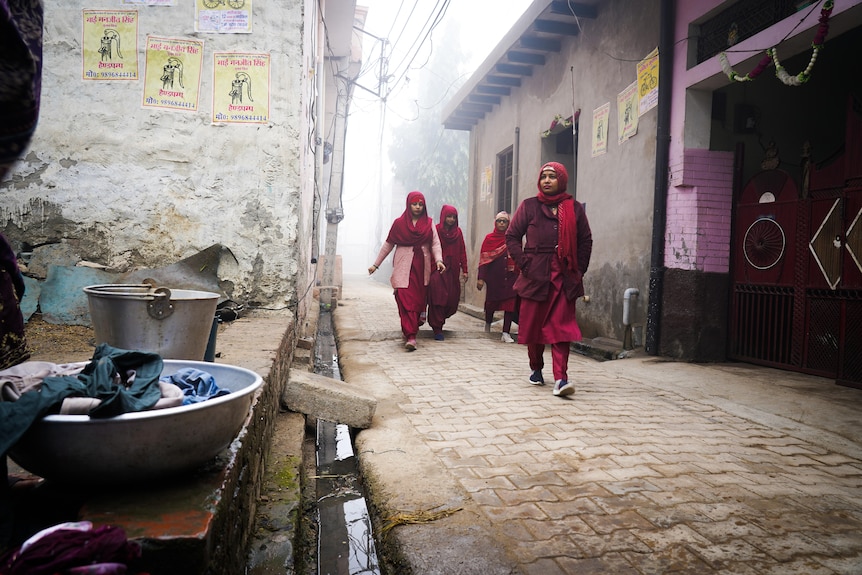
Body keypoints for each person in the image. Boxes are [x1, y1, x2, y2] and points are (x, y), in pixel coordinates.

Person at [505, 162, 592, 397]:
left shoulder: (573, 209)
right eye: (543, 176)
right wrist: (524, 263)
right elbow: (512, 236)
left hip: (564, 276)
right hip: (535, 275)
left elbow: (585, 240)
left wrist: (578, 269)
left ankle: (561, 379)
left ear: (561, 180)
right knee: (533, 328)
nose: (547, 180)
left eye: (552, 177)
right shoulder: (529, 206)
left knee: (561, 327)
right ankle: (536, 368)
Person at [369, 191, 445, 351]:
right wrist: (376, 265)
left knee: (417, 301)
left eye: (420, 204)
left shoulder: (429, 223)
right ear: (408, 205)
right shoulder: (399, 224)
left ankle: (411, 330)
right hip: (403, 267)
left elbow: (435, 244)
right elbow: (388, 244)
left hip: (421, 267)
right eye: (414, 204)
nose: (417, 207)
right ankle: (411, 335)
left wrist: (438, 260)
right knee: (404, 298)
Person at [477, 211, 519, 343]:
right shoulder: (489, 239)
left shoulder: (513, 239)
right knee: (491, 305)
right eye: (499, 221)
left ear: (508, 223)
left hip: (511, 277)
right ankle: (487, 326)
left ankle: (505, 332)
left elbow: (519, 257)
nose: (501, 223)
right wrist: (481, 278)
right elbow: (483, 260)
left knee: (510, 305)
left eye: (504, 221)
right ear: (495, 223)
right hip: (494, 279)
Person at [426, 205, 467, 341]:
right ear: (443, 216)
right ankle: (437, 328)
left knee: (451, 299)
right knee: (438, 298)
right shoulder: (436, 230)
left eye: (454, 217)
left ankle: (440, 322)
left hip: (452, 271)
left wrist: (465, 270)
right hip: (437, 270)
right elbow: (430, 248)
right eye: (449, 216)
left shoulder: (458, 232)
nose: (451, 219)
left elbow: (462, 251)